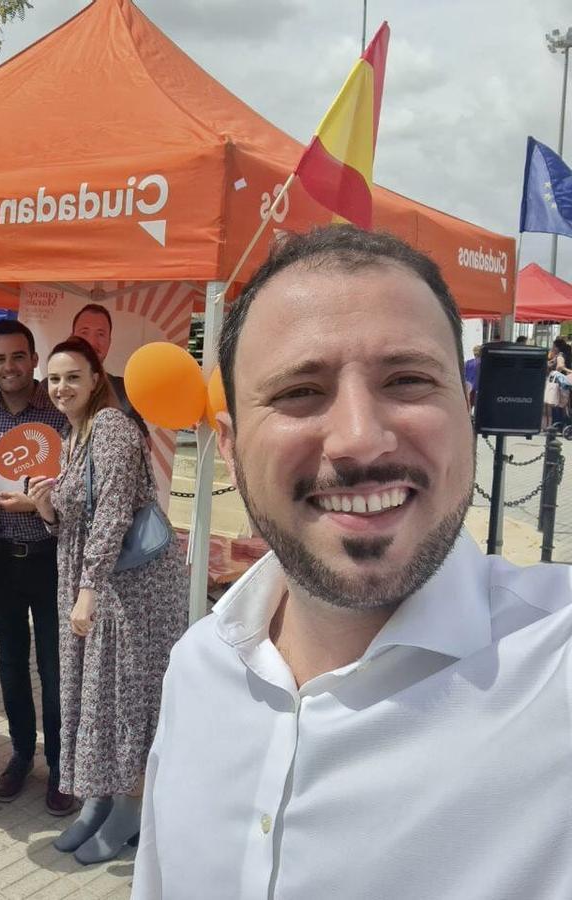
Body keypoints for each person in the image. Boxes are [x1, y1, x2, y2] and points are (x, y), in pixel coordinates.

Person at [132, 226, 572, 898]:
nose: (361, 439)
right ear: (232, 444)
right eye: (300, 392)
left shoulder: (554, 661)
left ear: (466, 409)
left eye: (407, 380)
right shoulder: (198, 667)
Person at [27, 337, 186, 865]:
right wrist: (47, 508)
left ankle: (129, 812)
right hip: (95, 581)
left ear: (97, 378)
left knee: (126, 695)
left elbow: (116, 514)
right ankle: (99, 803)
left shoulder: (113, 428)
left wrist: (87, 591)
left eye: (73, 376)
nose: (61, 387)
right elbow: (78, 516)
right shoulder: (73, 435)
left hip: (129, 587)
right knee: (96, 693)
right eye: (53, 378)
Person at [0, 320, 73, 815]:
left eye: (19, 356)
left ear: (34, 360)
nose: (10, 366)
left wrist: (43, 506)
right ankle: (21, 753)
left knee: (54, 667)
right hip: (0, 562)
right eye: (0, 358)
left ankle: (61, 765)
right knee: (10, 663)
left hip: (52, 558)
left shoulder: (61, 414)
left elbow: (82, 486)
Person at [70, 303, 148, 435]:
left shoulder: (124, 391)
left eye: (100, 334)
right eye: (84, 332)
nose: (92, 342)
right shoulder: (48, 388)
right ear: (72, 337)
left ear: (109, 342)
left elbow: (144, 446)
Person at [462, 343, 481, 407]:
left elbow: (464, 374)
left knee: (469, 405)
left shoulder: (468, 363)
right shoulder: (484, 363)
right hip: (479, 387)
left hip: (469, 387)